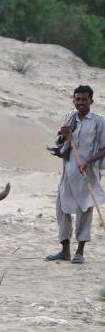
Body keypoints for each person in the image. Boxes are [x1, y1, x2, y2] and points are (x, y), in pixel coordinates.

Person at [46, 85, 105, 264]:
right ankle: (65, 251)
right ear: (73, 100)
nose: (80, 103)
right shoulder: (69, 117)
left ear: (91, 101)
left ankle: (80, 252)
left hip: (88, 172)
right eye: (77, 99)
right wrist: (64, 136)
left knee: (84, 209)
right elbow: (61, 141)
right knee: (62, 208)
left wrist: (88, 162)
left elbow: (104, 148)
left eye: (84, 99)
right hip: (68, 170)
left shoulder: (99, 121)